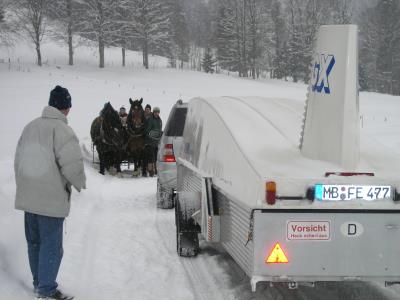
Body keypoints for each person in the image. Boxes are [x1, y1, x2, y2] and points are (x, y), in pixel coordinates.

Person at [14, 85, 86, 300]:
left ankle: (39, 283)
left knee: (34, 243)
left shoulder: (29, 127)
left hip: (29, 201)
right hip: (50, 202)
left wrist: (24, 186)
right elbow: (72, 165)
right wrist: (79, 183)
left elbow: (18, 161)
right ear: (66, 108)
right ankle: (46, 289)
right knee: (51, 247)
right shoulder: (62, 131)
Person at [144, 107, 162, 177]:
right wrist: (151, 134)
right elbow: (147, 130)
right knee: (151, 157)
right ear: (153, 112)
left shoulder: (159, 120)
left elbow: (159, 130)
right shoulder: (150, 119)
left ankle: (155, 169)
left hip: (156, 142)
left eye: (157, 112)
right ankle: (151, 170)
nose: (156, 113)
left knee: (156, 156)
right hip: (150, 141)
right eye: (155, 112)